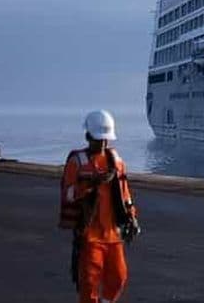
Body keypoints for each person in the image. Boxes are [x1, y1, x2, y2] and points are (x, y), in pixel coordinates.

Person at [59, 110, 140, 303]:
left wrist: (132, 216)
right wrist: (91, 184)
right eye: (99, 139)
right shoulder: (77, 162)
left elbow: (125, 193)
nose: (103, 144)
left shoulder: (116, 161)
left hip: (113, 234)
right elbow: (68, 194)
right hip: (90, 236)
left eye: (106, 140)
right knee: (89, 282)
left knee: (119, 278)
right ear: (88, 136)